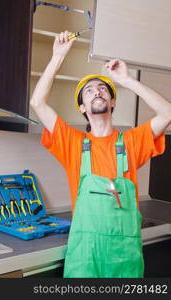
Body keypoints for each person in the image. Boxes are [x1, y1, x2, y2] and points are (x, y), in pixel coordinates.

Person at [30, 31, 171, 278]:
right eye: (89, 90)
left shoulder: (131, 142)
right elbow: (38, 103)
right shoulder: (73, 143)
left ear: (113, 102)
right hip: (85, 258)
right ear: (83, 107)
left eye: (102, 88)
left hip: (124, 260)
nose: (96, 91)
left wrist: (127, 80)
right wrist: (57, 57)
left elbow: (168, 113)